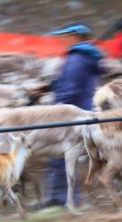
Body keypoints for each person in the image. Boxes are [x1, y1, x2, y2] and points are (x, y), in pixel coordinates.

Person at [45, 22, 104, 207]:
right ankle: (66, 198)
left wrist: (55, 109)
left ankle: (61, 199)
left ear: (75, 36)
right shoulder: (87, 56)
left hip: (70, 114)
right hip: (82, 111)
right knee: (67, 156)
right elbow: (72, 82)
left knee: (61, 157)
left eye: (65, 35)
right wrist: (50, 86)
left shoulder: (76, 58)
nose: (63, 39)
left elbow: (70, 88)